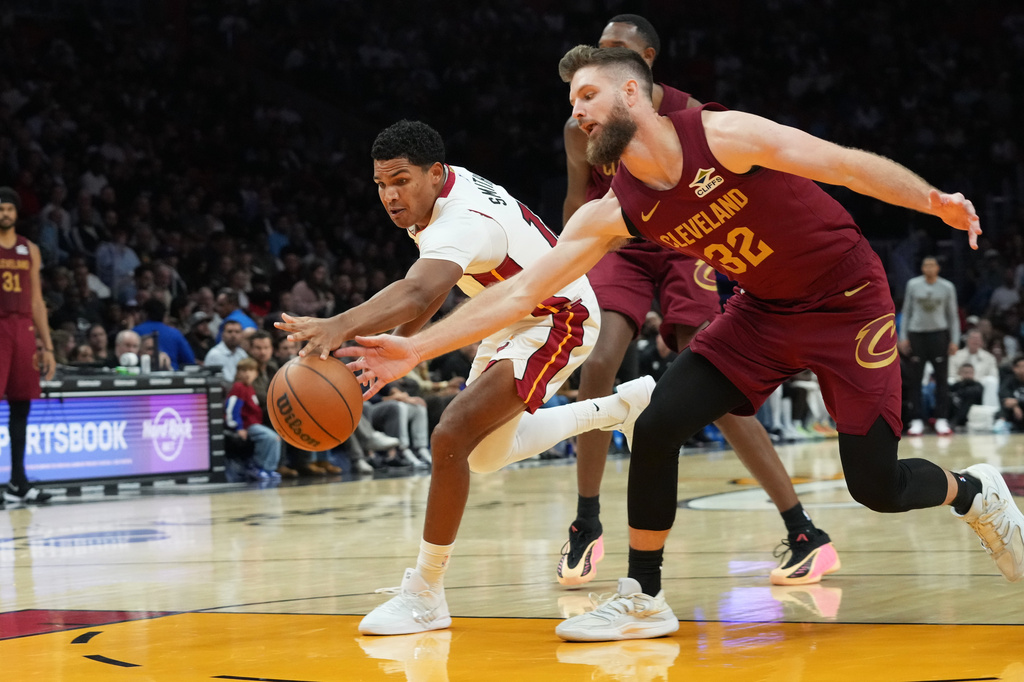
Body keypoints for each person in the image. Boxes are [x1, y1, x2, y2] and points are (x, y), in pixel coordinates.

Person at [338, 46, 1024, 643]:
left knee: (877, 485)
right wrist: (416, 349)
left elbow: (841, 164)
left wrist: (934, 200)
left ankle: (973, 493)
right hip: (761, 313)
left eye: (588, 95)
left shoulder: (723, 136)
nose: (576, 113)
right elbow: (520, 295)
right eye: (570, 104)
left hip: (847, 304)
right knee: (661, 419)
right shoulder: (616, 210)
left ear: (632, 91)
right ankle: (643, 595)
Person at [278, 120, 656, 636]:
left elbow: (417, 290)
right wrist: (392, 349)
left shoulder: (462, 219)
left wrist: (340, 324)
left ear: (435, 173)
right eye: (381, 184)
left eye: (400, 180)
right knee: (484, 454)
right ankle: (621, 409)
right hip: (507, 313)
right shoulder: (435, 197)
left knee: (451, 435)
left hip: (558, 318)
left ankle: (425, 592)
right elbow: (430, 289)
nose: (390, 195)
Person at [557, 14, 837, 589]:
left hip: (686, 237)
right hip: (621, 239)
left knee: (711, 367)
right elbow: (576, 197)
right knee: (601, 358)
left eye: (613, 50)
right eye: (596, 48)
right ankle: (587, 519)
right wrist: (566, 274)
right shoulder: (579, 125)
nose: (598, 57)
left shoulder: (697, 118)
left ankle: (802, 528)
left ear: (644, 62)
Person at [0, 187, 56, 505]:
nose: (5, 213)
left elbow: (37, 300)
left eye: (9, 209)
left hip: (23, 328)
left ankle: (18, 481)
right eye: (0, 209)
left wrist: (47, 347)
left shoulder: (29, 249)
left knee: (22, 405)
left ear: (17, 213)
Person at [900, 256, 960, 436]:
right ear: (922, 268)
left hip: (939, 334)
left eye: (932, 264)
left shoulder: (947, 287)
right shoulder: (913, 285)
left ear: (938, 268)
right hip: (917, 335)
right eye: (925, 264)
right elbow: (906, 311)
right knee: (915, 379)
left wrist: (955, 340)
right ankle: (916, 419)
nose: (929, 267)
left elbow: (953, 316)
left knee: (942, 379)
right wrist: (903, 337)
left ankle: (941, 419)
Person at [225, 356, 282, 482]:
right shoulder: (239, 387)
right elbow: (232, 409)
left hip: (255, 424)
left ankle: (268, 469)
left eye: (250, 371)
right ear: (238, 373)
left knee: (276, 437)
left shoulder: (250, 388)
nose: (247, 374)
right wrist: (238, 427)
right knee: (270, 437)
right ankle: (257, 466)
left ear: (256, 373)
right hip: (247, 425)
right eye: (243, 371)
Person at [133, 298, 196, 370]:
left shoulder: (135, 332)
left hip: (142, 377)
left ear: (145, 314)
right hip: (173, 377)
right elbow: (190, 361)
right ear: (164, 315)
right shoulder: (175, 333)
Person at [948, 329, 1000, 409]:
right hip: (960, 382)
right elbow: (951, 374)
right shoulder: (956, 356)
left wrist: (974, 379)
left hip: (980, 383)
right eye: (973, 338)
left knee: (991, 380)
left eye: (978, 339)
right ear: (967, 340)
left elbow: (994, 375)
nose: (975, 341)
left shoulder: (989, 357)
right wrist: (963, 379)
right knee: (949, 380)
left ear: (982, 342)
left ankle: (990, 410)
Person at [204, 319, 248, 384]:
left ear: (242, 335)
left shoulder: (242, 354)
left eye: (237, 332)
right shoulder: (215, 354)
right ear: (222, 334)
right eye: (230, 332)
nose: (233, 335)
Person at [998, 356, 1024, 432]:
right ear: (1015, 369)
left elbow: (1012, 401)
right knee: (1002, 411)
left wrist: (1016, 403)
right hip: (1014, 415)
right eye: (1022, 367)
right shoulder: (1009, 381)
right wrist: (1015, 406)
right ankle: (1001, 429)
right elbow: (1006, 401)